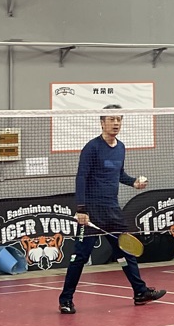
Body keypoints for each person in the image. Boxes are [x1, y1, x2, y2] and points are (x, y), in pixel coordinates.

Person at [58, 106, 166, 314]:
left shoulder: (121, 147)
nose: (116, 123)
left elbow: (119, 174)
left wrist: (133, 182)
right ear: (102, 123)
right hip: (92, 211)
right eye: (111, 119)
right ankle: (66, 299)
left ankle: (140, 292)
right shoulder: (92, 148)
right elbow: (81, 177)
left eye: (119, 119)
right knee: (80, 257)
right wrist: (81, 209)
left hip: (112, 210)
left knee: (125, 252)